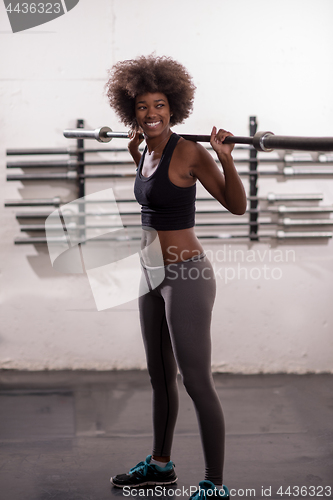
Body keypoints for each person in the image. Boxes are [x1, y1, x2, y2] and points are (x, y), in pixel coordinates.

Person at [105, 54, 246, 499]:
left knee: (195, 380)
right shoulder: (142, 149)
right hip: (149, 274)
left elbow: (236, 205)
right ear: (133, 110)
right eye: (143, 106)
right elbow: (150, 190)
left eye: (160, 105)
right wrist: (136, 149)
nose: (152, 114)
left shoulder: (189, 151)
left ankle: (216, 483)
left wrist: (225, 159)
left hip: (186, 275)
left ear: (174, 107)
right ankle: (161, 466)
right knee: (159, 375)